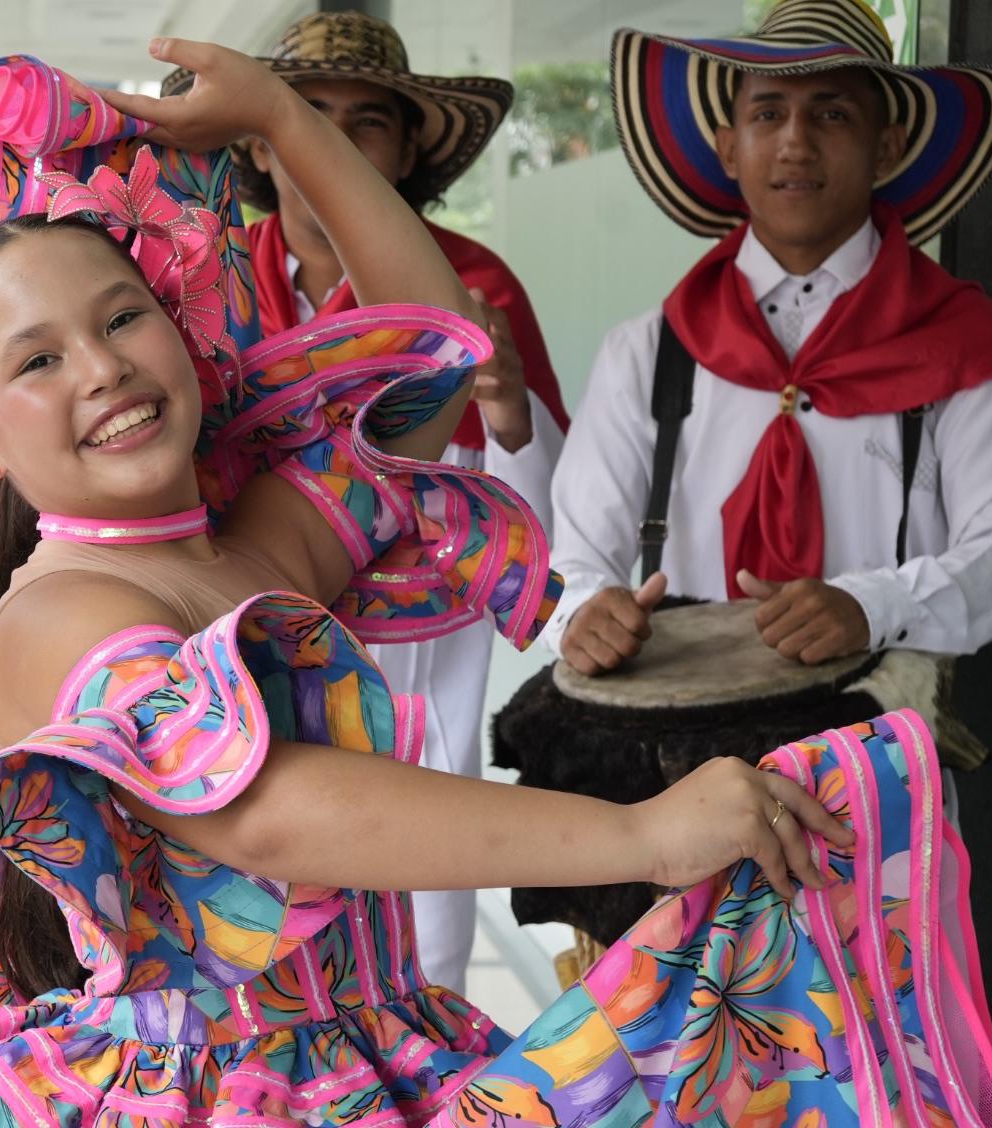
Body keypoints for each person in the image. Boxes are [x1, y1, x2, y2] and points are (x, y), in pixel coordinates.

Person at [0, 42, 992, 1126]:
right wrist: (638, 834)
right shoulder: (60, 616)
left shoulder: (252, 543)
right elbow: (259, 808)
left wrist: (281, 122)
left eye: (123, 318)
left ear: (182, 336)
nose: (99, 367)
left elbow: (434, 356)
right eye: (36, 358)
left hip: (361, 1053)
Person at [191, 9, 571, 992]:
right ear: (260, 146)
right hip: (240, 664)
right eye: (305, 117)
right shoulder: (202, 285)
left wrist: (510, 408)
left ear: (405, 152)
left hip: (414, 671)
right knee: (252, 955)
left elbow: (537, 505)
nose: (330, 143)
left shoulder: (471, 288)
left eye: (363, 124)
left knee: (417, 956)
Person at [548, 0, 992, 684]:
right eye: (767, 113)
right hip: (674, 772)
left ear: (887, 147)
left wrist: (873, 604)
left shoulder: (966, 350)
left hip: (880, 760)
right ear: (728, 148)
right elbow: (571, 560)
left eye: (831, 113)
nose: (794, 142)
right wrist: (581, 612)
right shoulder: (644, 353)